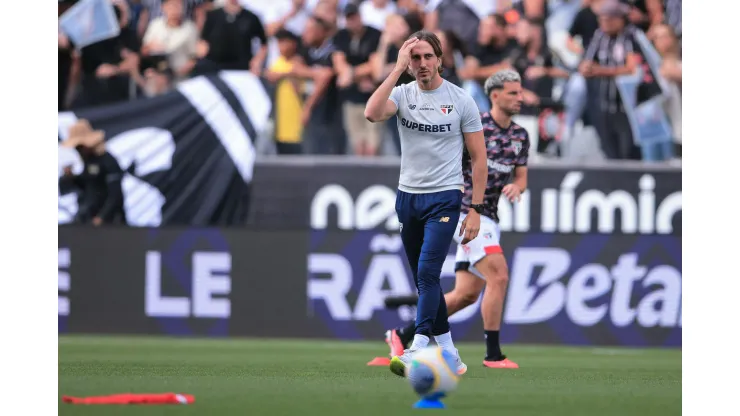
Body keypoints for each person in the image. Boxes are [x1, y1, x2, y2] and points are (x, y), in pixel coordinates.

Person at [385, 69, 530, 370]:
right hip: (463, 210)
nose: (521, 98)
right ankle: (493, 354)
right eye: (513, 93)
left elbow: (521, 176)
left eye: (521, 92)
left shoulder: (520, 135)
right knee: (499, 275)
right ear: (495, 95)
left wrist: (518, 186)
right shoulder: (474, 122)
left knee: (465, 295)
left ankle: (402, 335)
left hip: (490, 215)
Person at [364, 31, 488, 377]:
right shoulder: (402, 94)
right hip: (408, 198)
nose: (421, 64)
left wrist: (475, 208)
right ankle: (449, 352)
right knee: (425, 283)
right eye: (414, 58)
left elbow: (479, 159)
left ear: (439, 60)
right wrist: (395, 69)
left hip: (445, 197)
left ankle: (418, 345)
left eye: (426, 57)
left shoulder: (460, 100)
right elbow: (372, 113)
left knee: (427, 273)